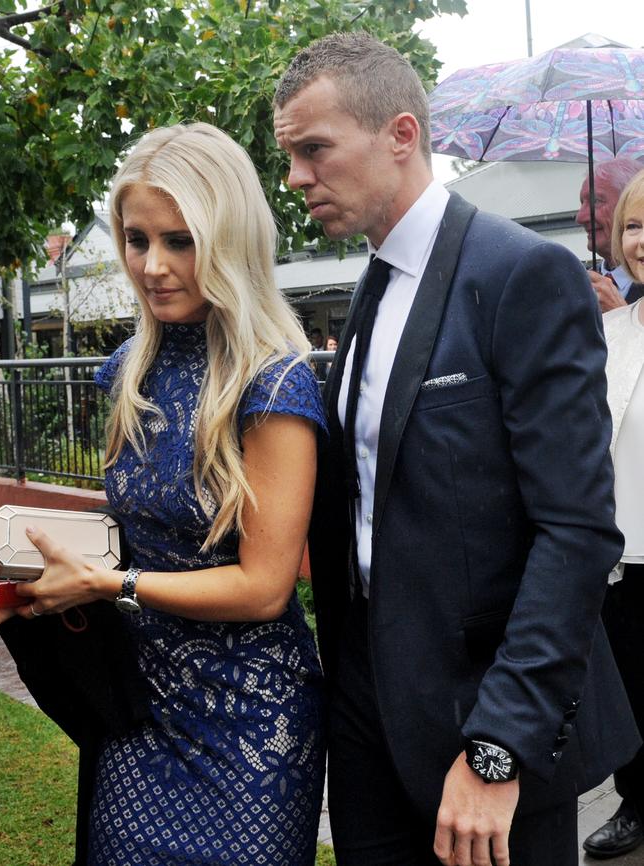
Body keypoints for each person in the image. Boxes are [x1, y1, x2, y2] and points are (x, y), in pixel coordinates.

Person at [273, 31, 640, 866]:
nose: (296, 178)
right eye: (291, 155)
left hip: (486, 720)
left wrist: (497, 747)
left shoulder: (523, 275)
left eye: (314, 149)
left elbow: (577, 533)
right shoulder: (370, 286)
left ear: (401, 136)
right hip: (367, 713)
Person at [0, 123, 326, 865]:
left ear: (230, 237)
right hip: (136, 708)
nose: (152, 265)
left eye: (179, 240)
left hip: (252, 725)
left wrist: (111, 583)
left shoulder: (274, 383)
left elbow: (266, 587)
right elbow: (134, 521)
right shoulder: (125, 371)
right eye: (136, 239)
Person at [583, 169, 644, 861]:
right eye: (632, 224)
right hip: (624, 553)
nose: (641, 239)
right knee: (631, 685)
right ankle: (636, 800)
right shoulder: (610, 332)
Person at [576, 157, 644, 312]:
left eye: (596, 201)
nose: (580, 217)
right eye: (582, 203)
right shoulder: (579, 284)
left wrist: (620, 314)